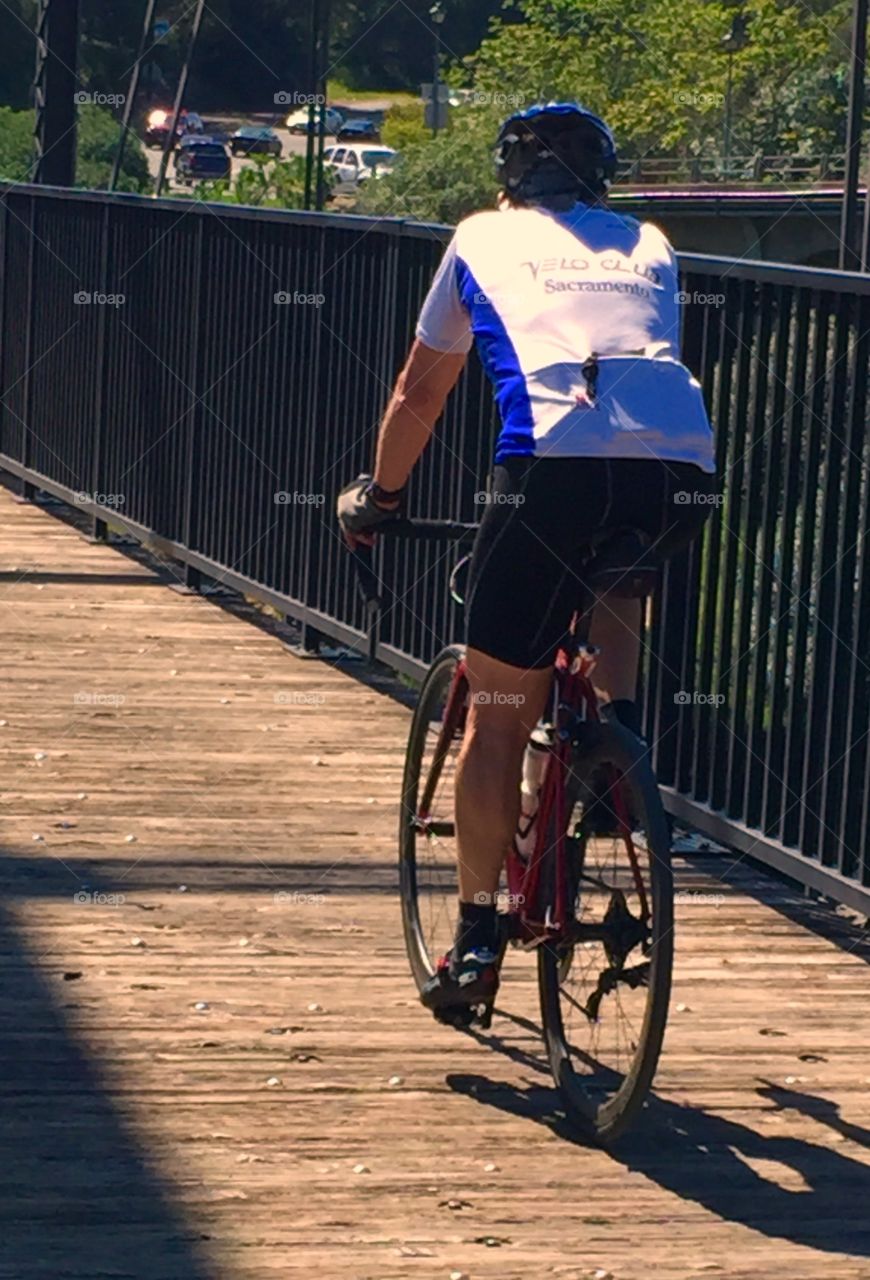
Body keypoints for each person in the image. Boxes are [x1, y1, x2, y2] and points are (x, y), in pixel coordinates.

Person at [337, 101, 716, 1019]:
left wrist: (381, 498)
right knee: (616, 577)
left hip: (547, 476)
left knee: (498, 712)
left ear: (508, 182)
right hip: (679, 471)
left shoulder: (480, 238)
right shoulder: (650, 241)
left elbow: (422, 389)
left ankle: (475, 935)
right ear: (602, 177)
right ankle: (610, 757)